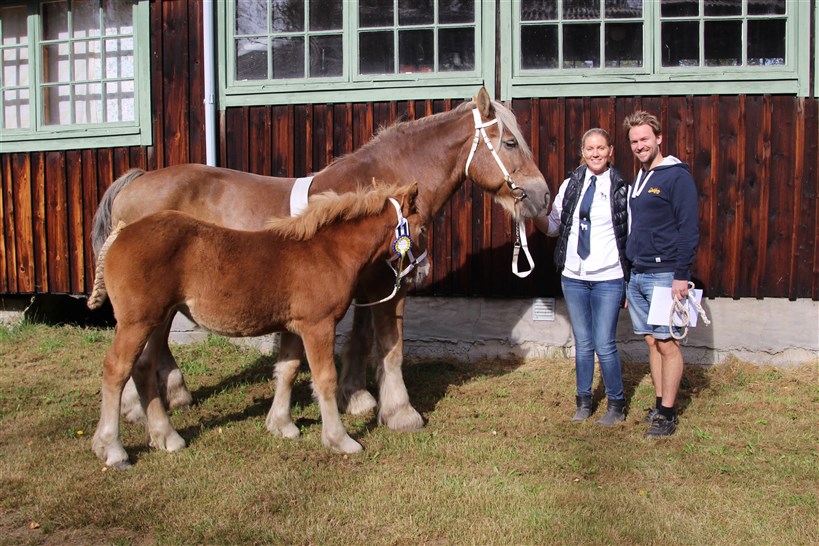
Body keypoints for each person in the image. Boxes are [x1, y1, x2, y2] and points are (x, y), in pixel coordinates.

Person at [535, 128, 629, 426]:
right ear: (583, 151)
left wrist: (629, 278)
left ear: (610, 150)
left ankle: (616, 404)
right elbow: (552, 226)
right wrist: (532, 212)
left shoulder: (620, 187)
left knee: (605, 343)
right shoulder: (571, 184)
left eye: (601, 148)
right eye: (590, 148)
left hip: (608, 278)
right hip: (574, 276)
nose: (596, 153)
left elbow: (630, 234)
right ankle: (584, 402)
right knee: (584, 342)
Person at [622, 111, 699, 437]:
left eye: (644, 139)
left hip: (665, 274)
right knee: (652, 342)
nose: (639, 146)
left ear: (658, 138)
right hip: (639, 274)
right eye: (634, 141)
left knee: (667, 344)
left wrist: (681, 275)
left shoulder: (676, 177)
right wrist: (628, 276)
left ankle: (668, 414)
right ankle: (658, 403)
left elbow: (689, 228)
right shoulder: (641, 177)